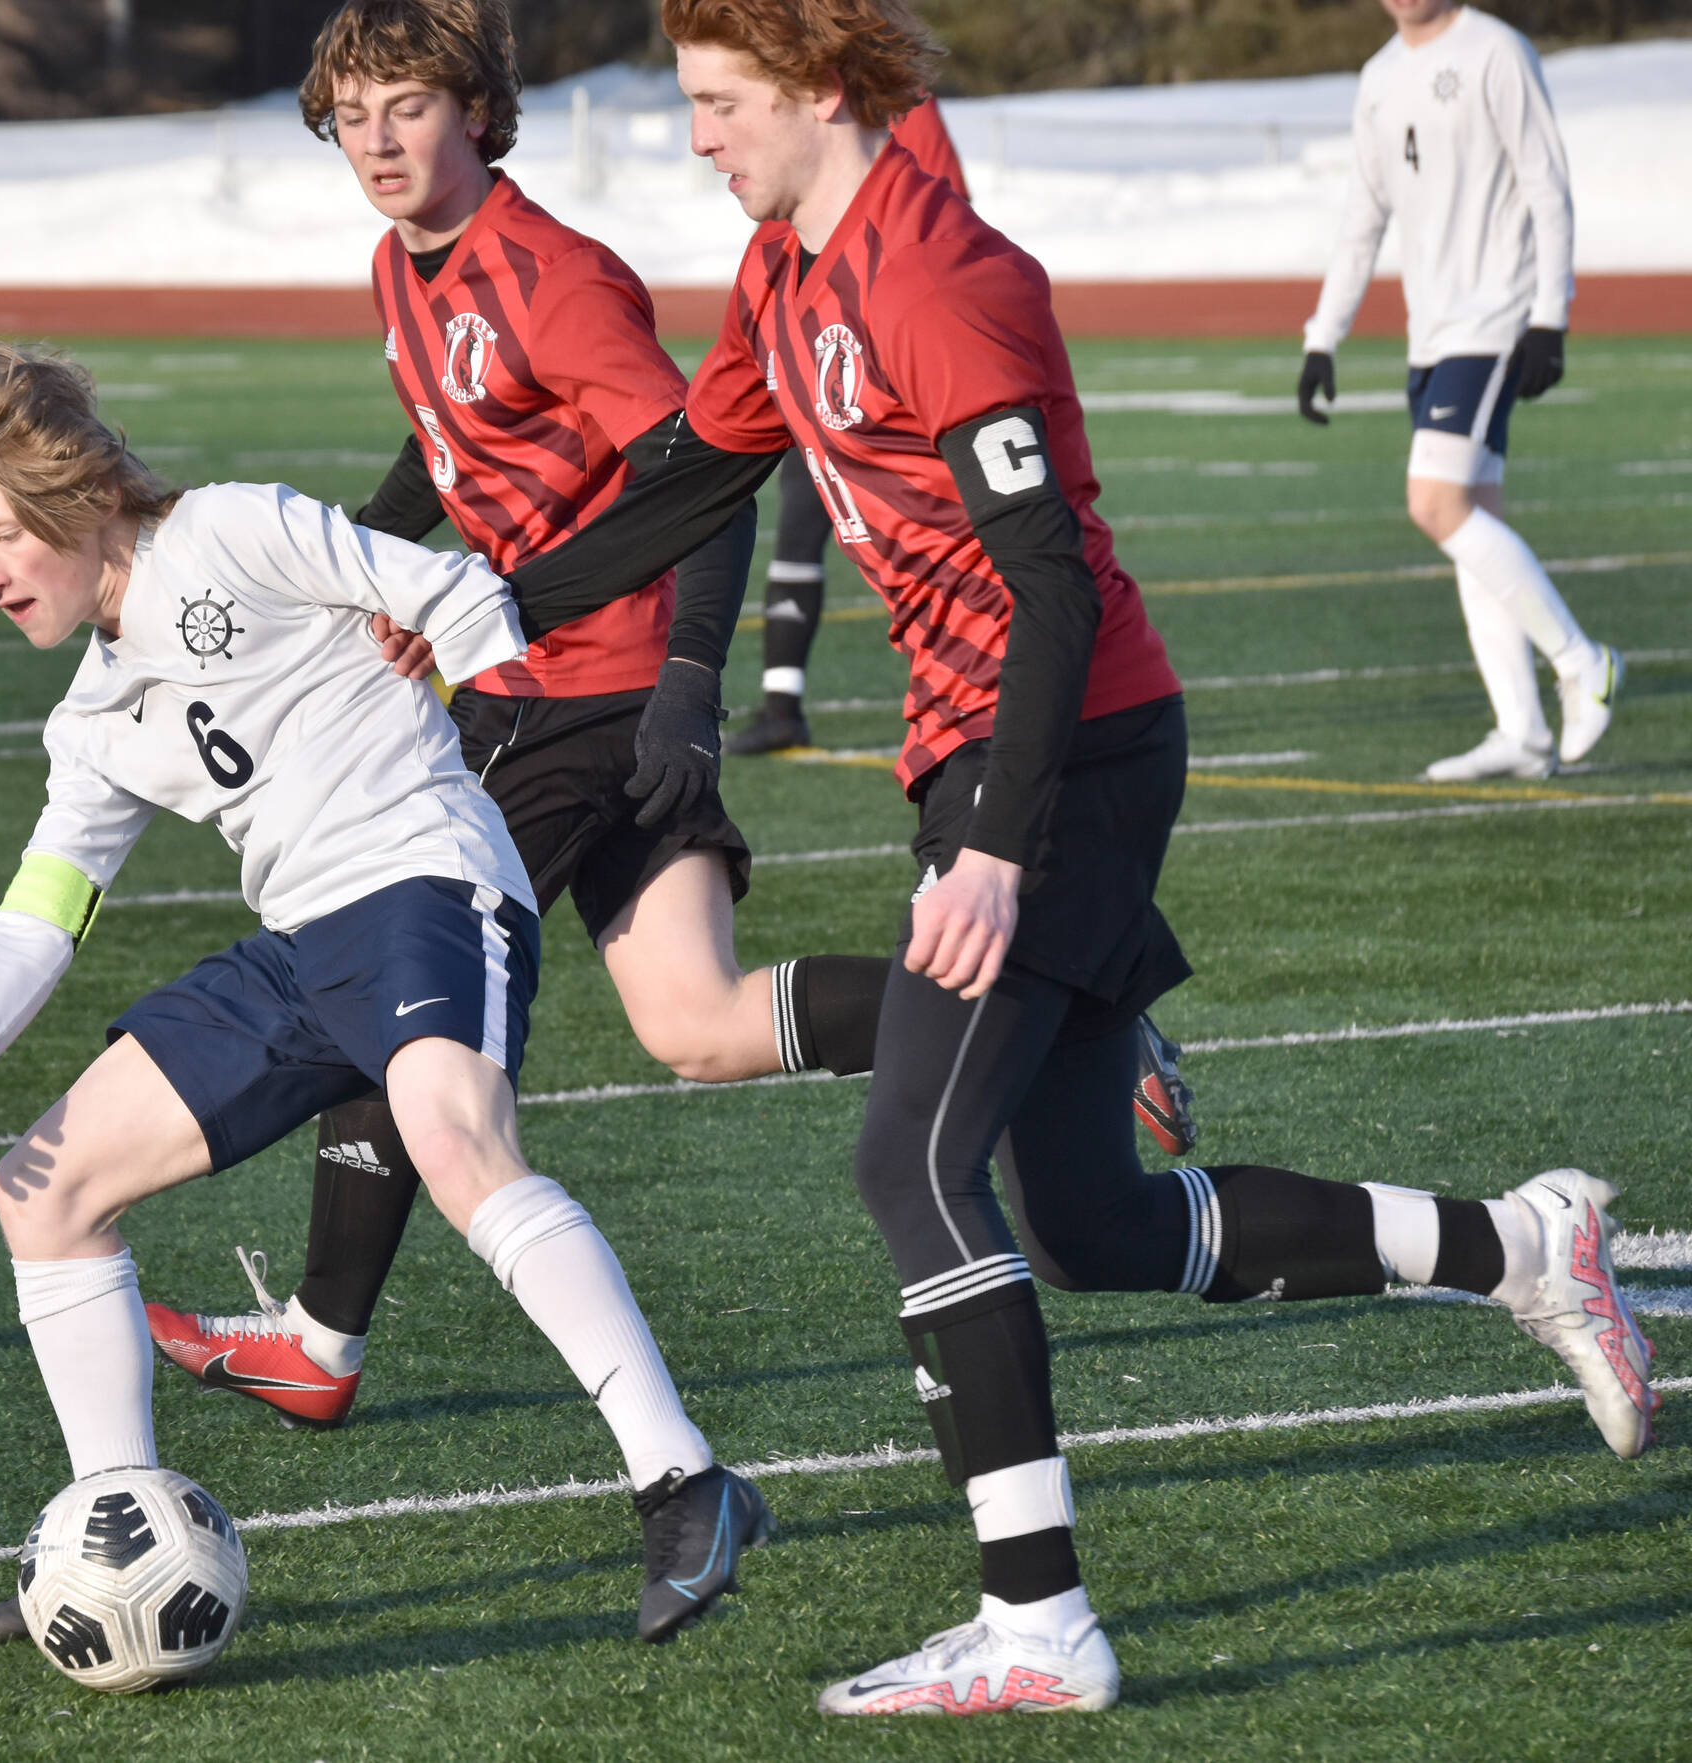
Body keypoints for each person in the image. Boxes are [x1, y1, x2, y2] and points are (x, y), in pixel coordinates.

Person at [460, 0, 1657, 1715]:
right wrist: (466, 602)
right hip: (1000, 770)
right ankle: (1520, 1247)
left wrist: (999, 847)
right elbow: (679, 487)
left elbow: (1051, 585)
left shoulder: (937, 277)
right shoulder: (786, 276)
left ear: (815, 92)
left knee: (910, 1169)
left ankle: (1037, 1620)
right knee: (1085, 1219)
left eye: (720, 104)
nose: (698, 137)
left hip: (1061, 765)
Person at [0, 337, 771, 1650]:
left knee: (451, 1133)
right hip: (300, 943)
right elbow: (40, 913)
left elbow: (450, 591)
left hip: (426, 884)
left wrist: (474, 716)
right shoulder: (94, 710)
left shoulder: (229, 530)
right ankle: (111, 1525)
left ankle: (686, 1479)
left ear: (80, 499)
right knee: (40, 1186)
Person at [139, 0, 891, 1438]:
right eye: (352, 113)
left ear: (478, 113)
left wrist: (688, 691)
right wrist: (351, 560)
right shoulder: (399, 265)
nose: (376, 139)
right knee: (699, 1022)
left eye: (407, 106)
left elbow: (706, 484)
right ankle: (1036, 1015)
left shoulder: (553, 277)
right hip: (544, 684)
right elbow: (446, 437)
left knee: (391, 975)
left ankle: (318, 1336)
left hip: (583, 696)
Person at [1299, 0, 1621, 782]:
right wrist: (1322, 335)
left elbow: (1549, 185)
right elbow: (1364, 215)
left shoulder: (1496, 51)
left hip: (1495, 320)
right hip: (1431, 333)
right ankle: (1523, 731)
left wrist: (1550, 315)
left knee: (1434, 503)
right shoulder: (1378, 77)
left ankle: (1584, 663)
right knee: (1470, 519)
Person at [731, 93, 967, 760]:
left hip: (881, 351)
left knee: (933, 536)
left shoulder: (900, 104)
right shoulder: (766, 261)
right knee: (800, 520)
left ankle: (960, 699)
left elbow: (945, 213)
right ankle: (781, 701)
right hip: (814, 338)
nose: (703, 137)